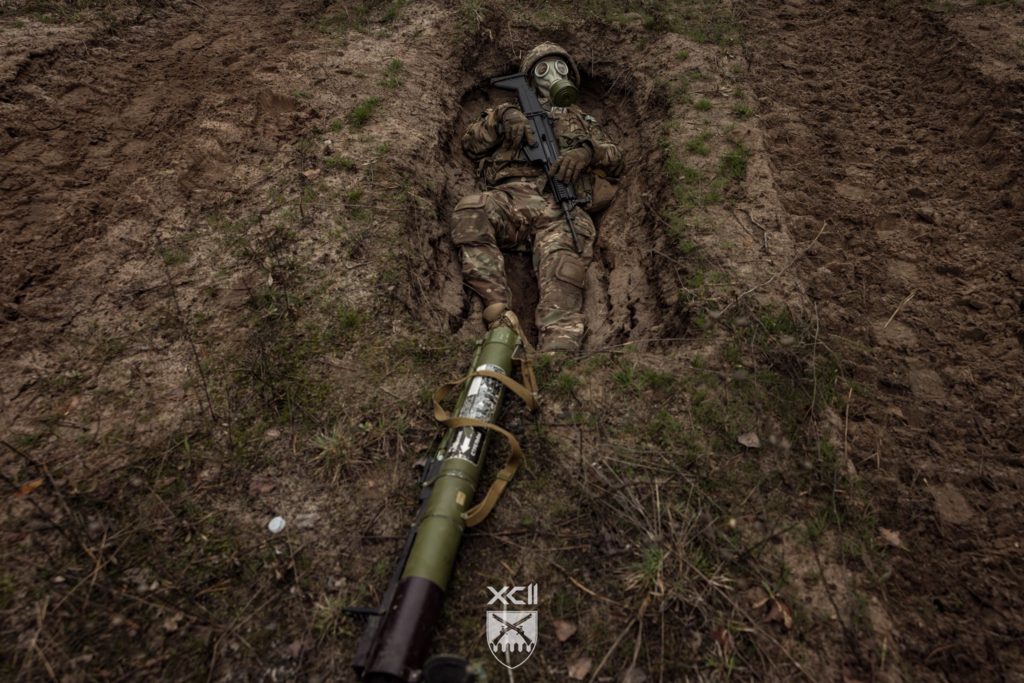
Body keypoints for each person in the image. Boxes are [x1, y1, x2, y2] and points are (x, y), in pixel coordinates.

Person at [452, 42, 624, 353]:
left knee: (566, 263)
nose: (553, 75)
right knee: (471, 210)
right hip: (511, 200)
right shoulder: (510, 112)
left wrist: (588, 152)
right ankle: (496, 311)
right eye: (543, 69)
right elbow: (471, 144)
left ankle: (559, 346)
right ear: (531, 79)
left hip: (561, 208)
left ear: (570, 75)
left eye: (561, 67)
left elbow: (615, 159)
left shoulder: (583, 122)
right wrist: (502, 117)